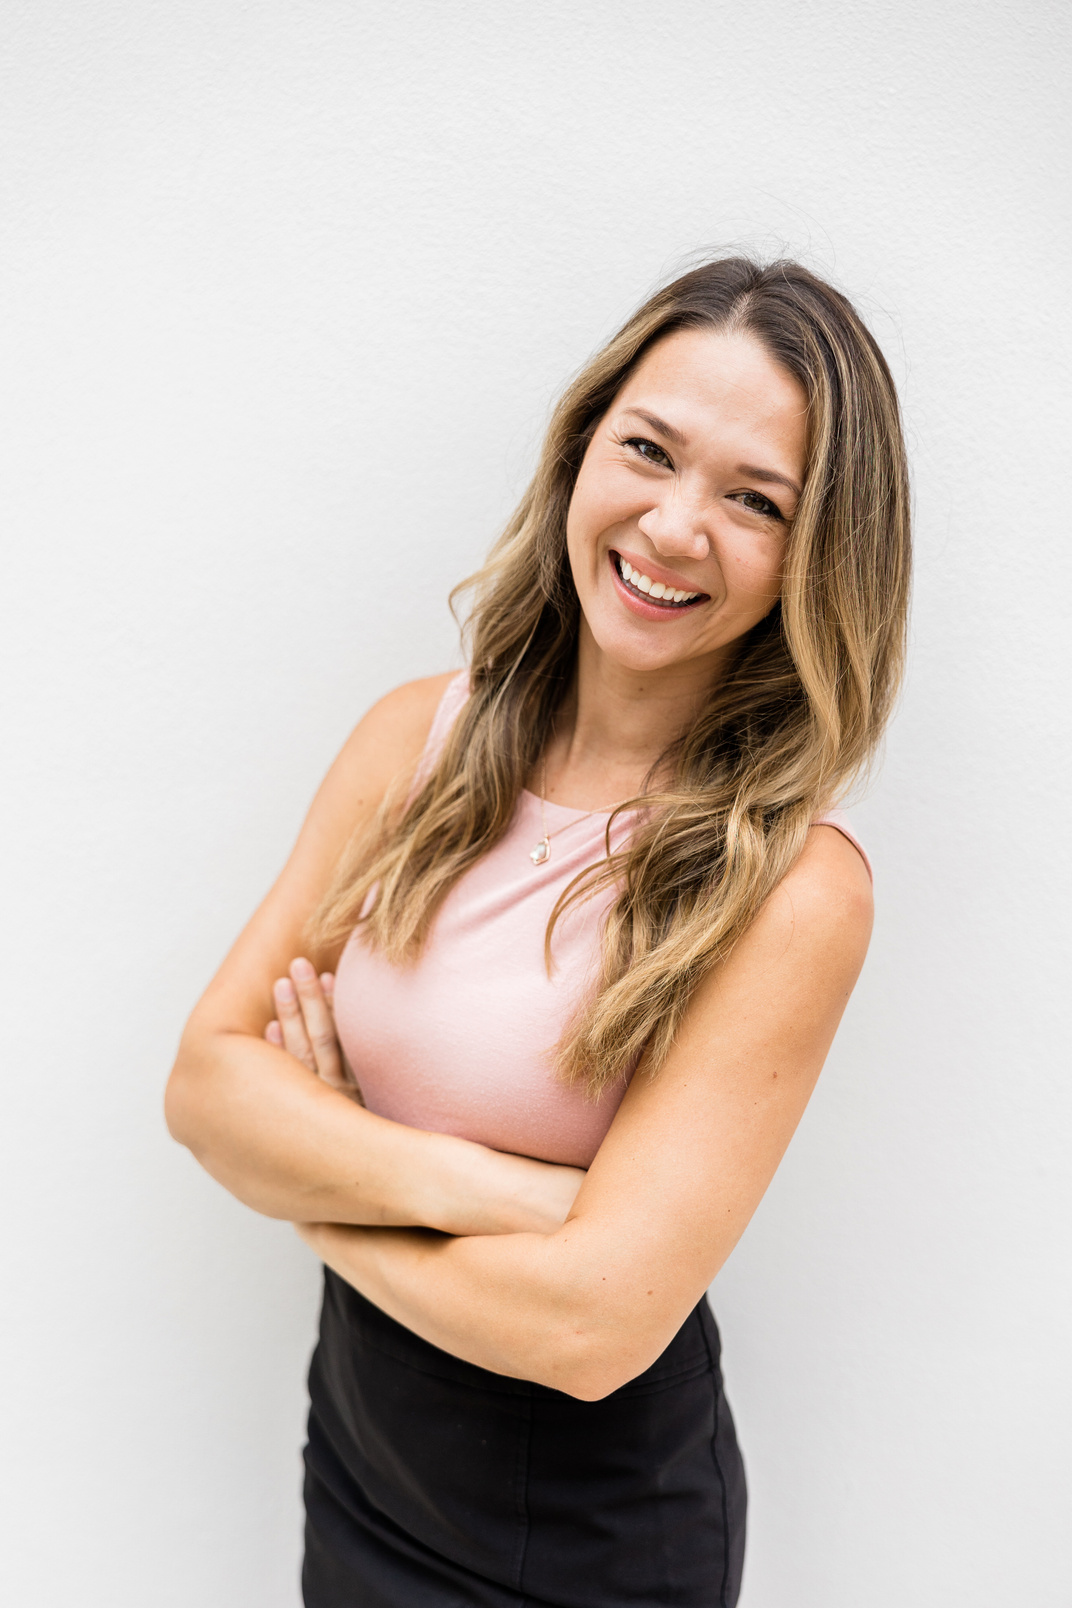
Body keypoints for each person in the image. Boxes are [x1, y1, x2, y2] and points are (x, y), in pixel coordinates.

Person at [165, 256, 911, 1607]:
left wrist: (320, 1191)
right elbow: (209, 1086)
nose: (678, 527)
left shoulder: (795, 886)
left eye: (756, 501)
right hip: (362, 1457)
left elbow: (589, 1329)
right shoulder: (414, 740)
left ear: (815, 559)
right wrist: (499, 1196)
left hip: (590, 1535)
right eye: (651, 450)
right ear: (583, 450)